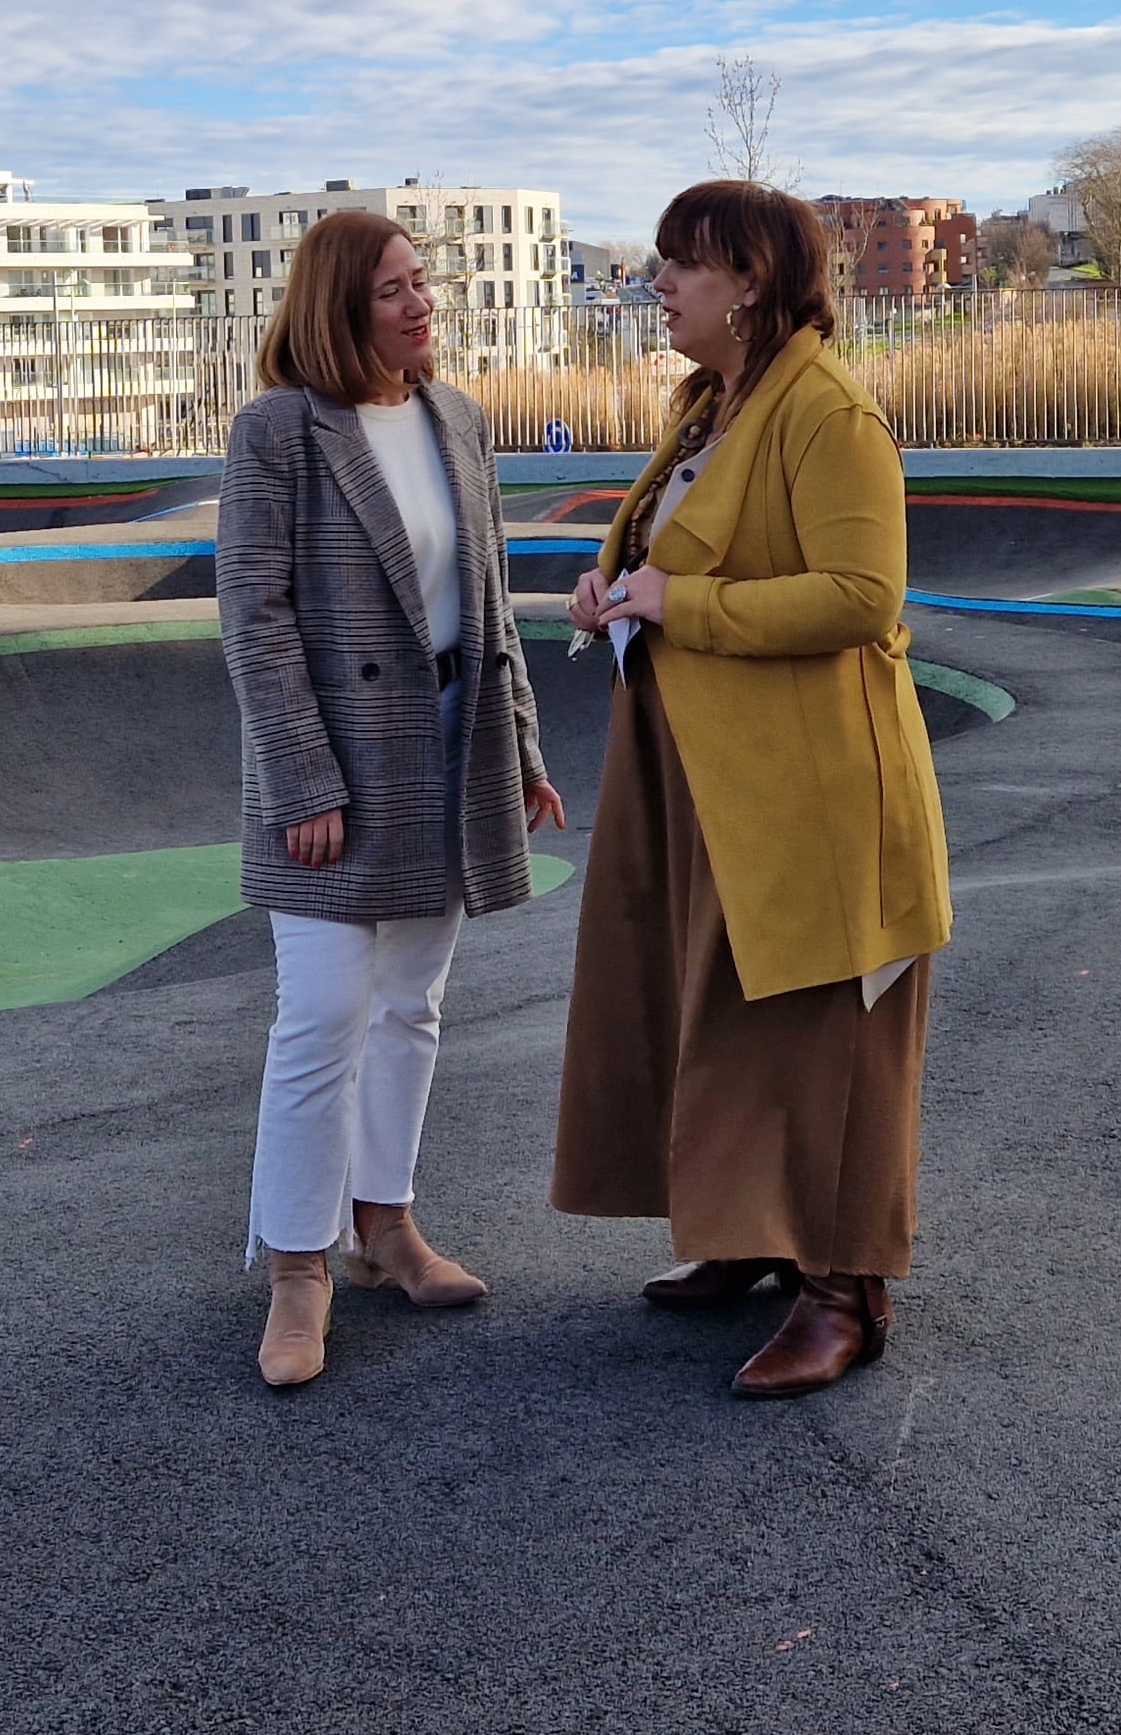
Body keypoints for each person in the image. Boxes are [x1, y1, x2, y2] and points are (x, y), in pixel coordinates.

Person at [552, 180, 951, 1397]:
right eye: (661, 263)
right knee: (716, 1013)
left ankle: (844, 1290)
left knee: (827, 1030)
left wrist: (685, 605)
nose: (659, 284)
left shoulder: (827, 413)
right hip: (704, 775)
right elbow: (677, 549)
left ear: (754, 284)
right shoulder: (710, 406)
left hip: (813, 787)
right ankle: (744, 1235)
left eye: (683, 265)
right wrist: (612, 578)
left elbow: (860, 597)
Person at [219, 208, 566, 1390]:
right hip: (339, 760)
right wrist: (305, 778)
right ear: (336, 309)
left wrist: (520, 747)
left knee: (411, 1003)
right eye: (393, 292)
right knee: (319, 1014)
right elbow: (255, 621)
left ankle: (387, 1226)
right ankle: (297, 1268)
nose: (422, 306)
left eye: (424, 284)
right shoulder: (278, 432)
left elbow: (494, 602)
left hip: (452, 745)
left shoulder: (456, 417)